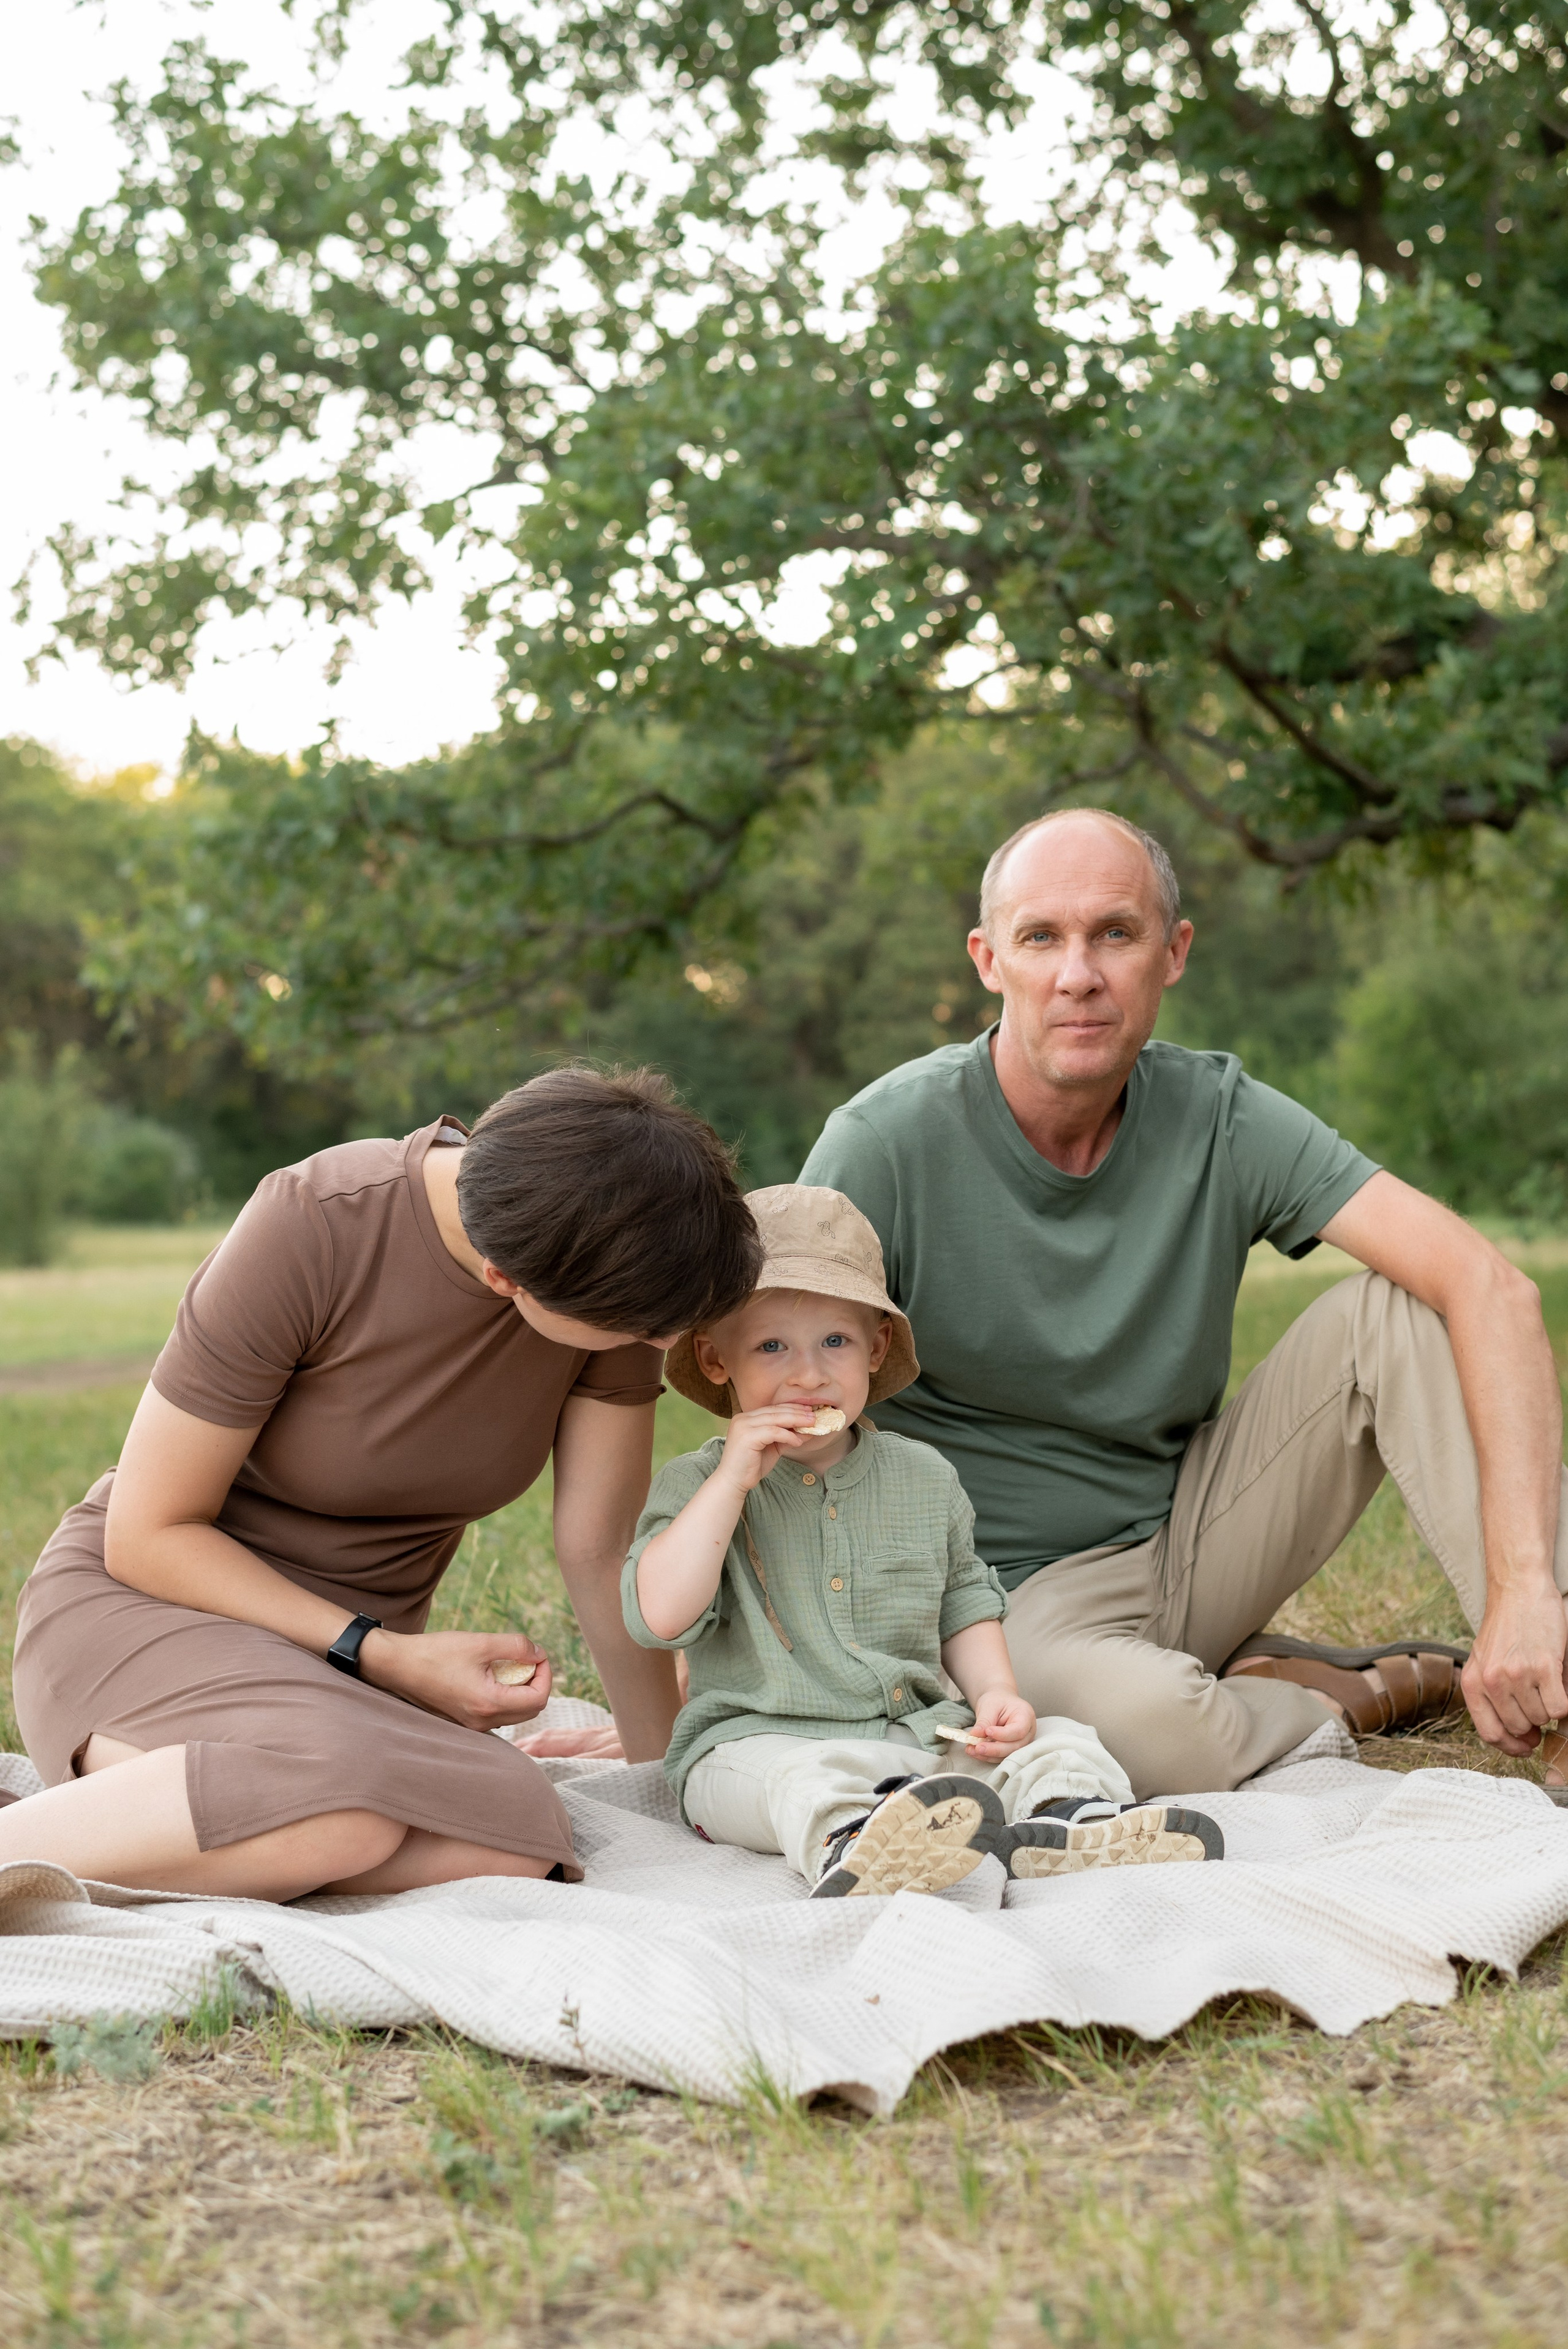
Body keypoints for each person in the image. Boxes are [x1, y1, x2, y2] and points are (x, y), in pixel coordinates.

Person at [799, 807, 1568, 1798]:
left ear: (1174, 952)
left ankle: (1554, 1680)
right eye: (1043, 938)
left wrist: (1523, 1590)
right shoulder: (882, 1144)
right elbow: (780, 1399)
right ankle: (1329, 1692)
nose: (1079, 973)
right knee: (1164, 1739)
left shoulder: (1221, 1116)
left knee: (1403, 1310)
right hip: (995, 1601)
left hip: (1196, 1530)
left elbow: (1492, 1286)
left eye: (1115, 933)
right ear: (990, 961)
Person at [2, 1066, 761, 1899]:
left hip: (342, 1685)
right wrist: (387, 1654)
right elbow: (149, 1533)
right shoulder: (315, 1223)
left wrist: (664, 1766)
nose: (662, 1344)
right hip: (155, 1608)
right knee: (344, 1814)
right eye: (650, 1331)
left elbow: (599, 1545)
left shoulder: (612, 1272)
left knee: (520, 1836)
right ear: (503, 1277)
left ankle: (150, 1824)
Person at [622, 1183, 1224, 1896]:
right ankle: (855, 1840)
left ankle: (1068, 1819)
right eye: (771, 1345)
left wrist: (997, 1692)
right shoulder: (701, 1485)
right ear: (717, 1360)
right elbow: (659, 1617)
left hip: (907, 1737)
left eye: (835, 1341)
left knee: (1062, 1737)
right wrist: (731, 1483)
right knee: (798, 1779)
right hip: (754, 1744)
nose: (809, 1372)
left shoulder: (923, 1475)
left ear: (876, 1349)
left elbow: (962, 1601)